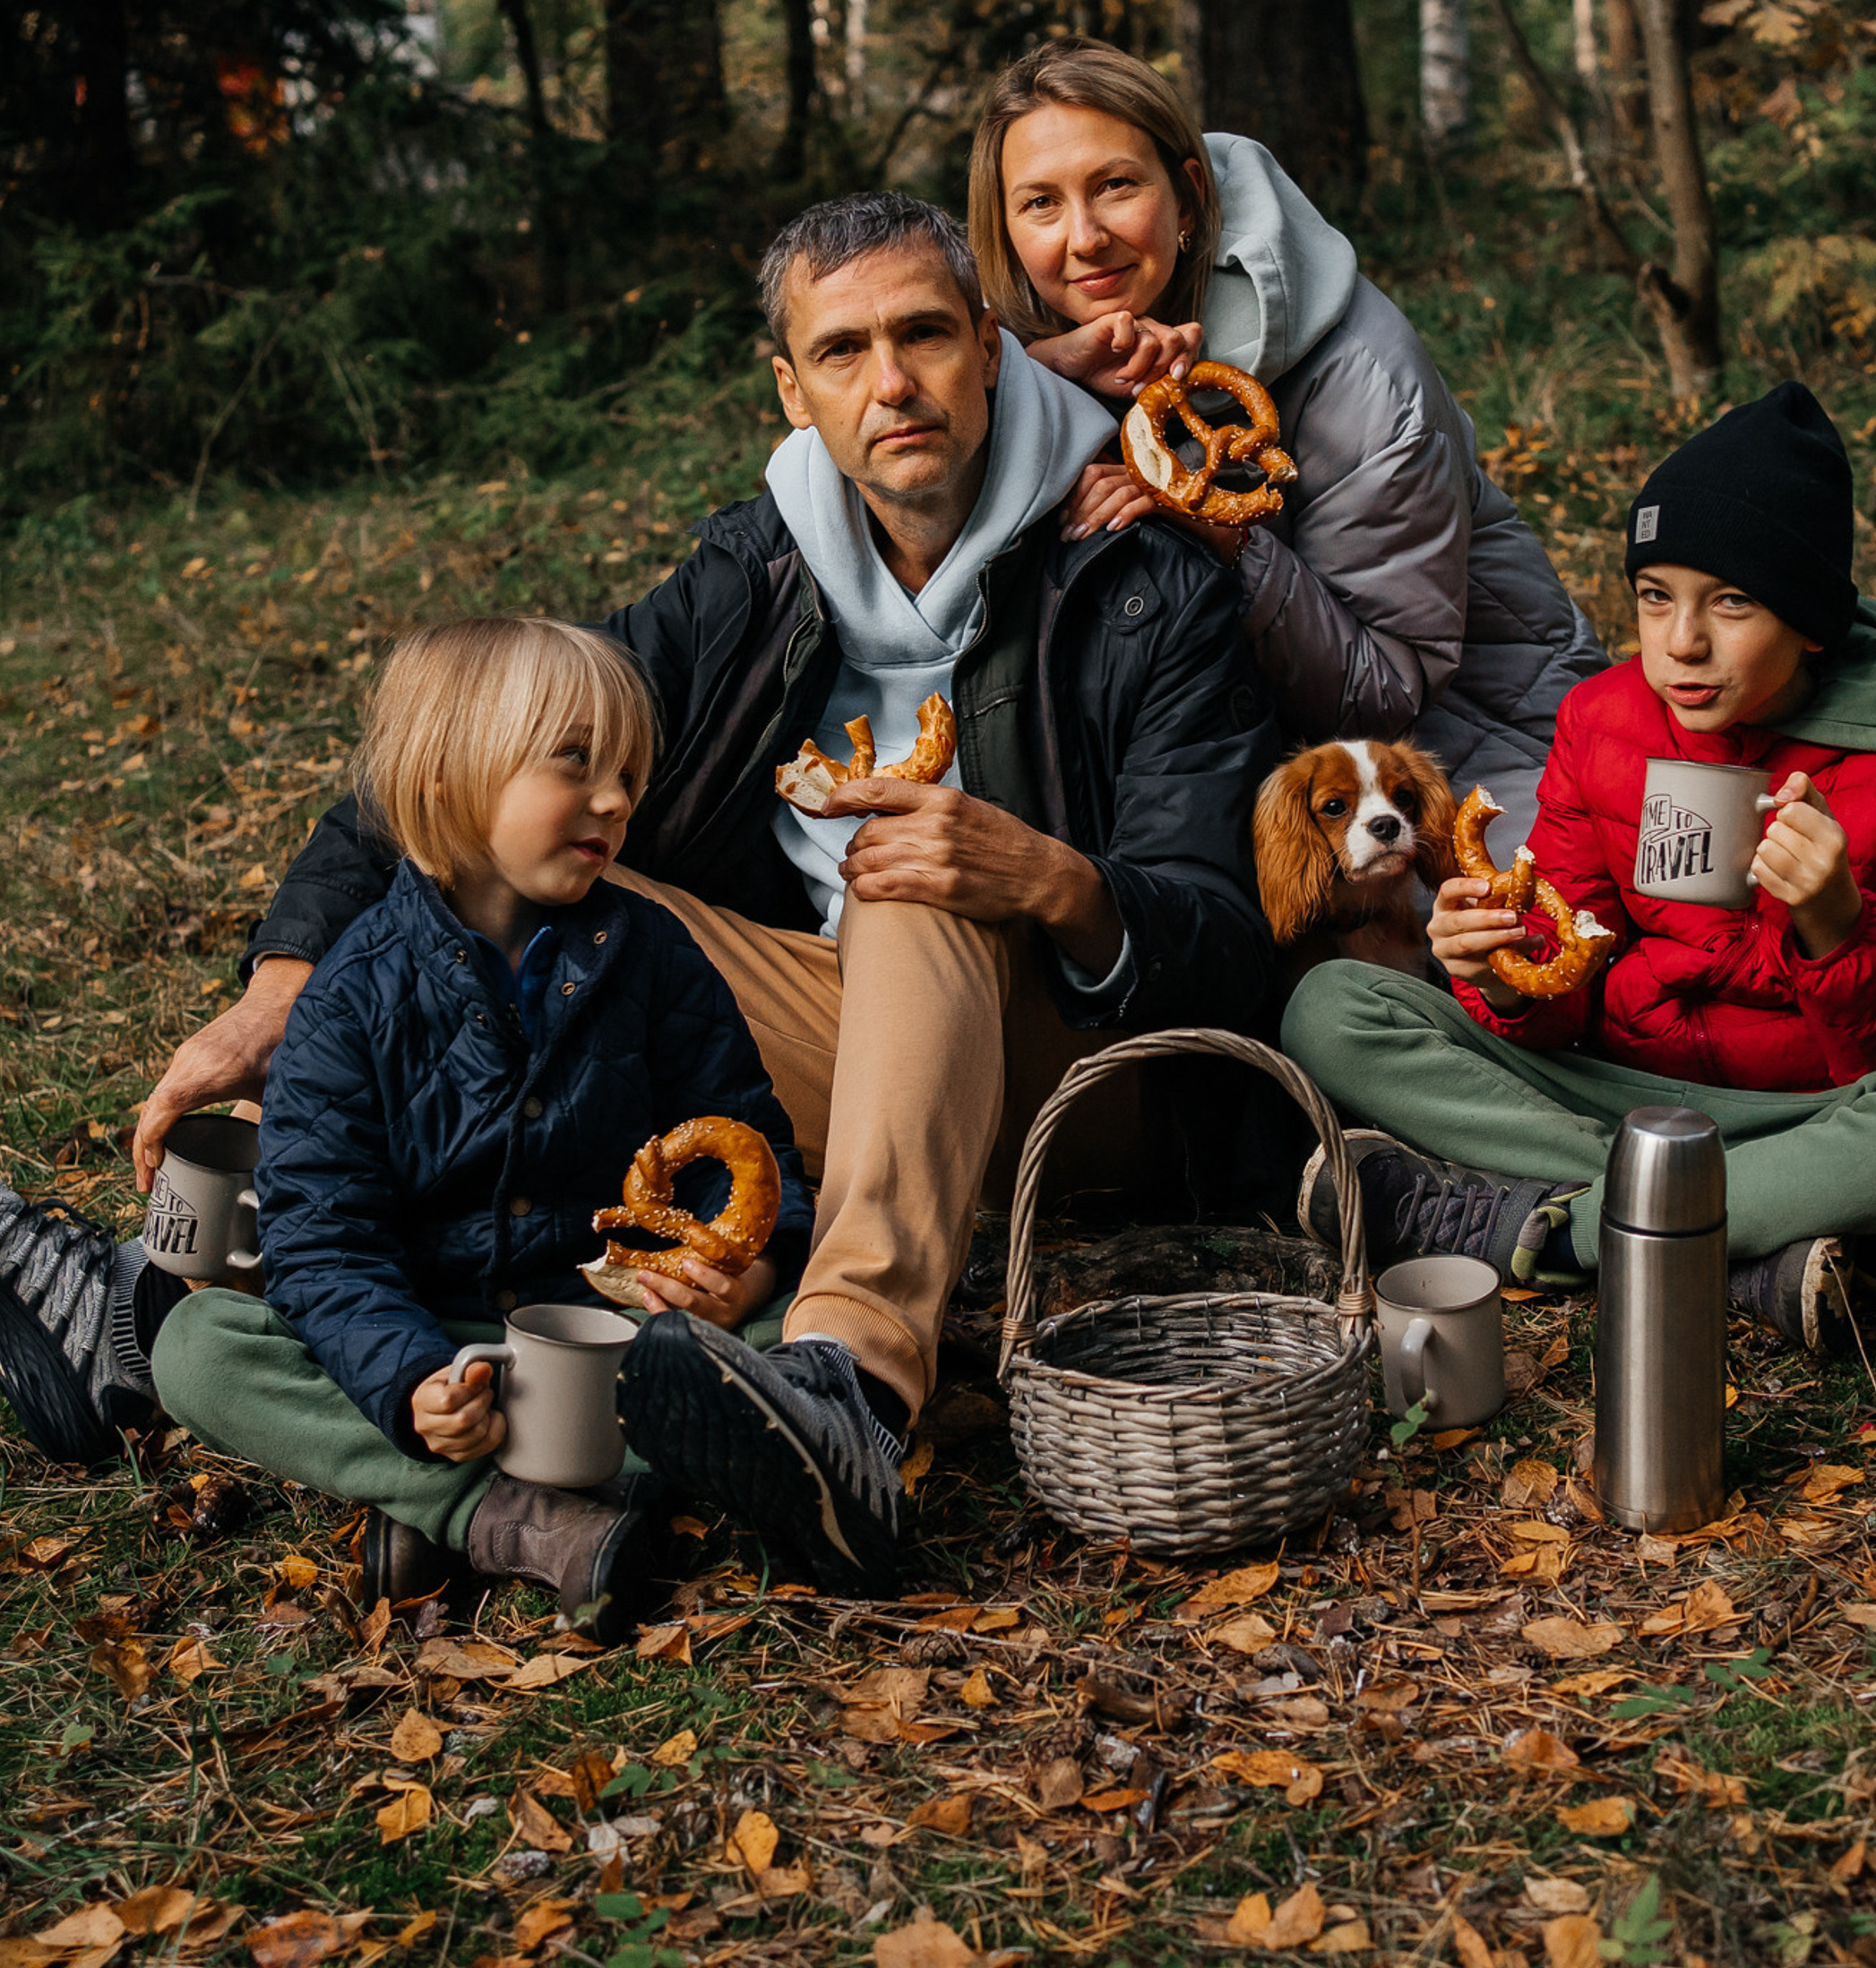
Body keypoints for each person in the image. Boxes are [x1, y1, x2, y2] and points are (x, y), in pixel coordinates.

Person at [109, 192, 1277, 1594]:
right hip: (823, 1040)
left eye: (923, 335)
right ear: (794, 392)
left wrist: (1042, 872)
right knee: (552, 836)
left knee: (906, 870)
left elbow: (1219, 935)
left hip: (1074, 1073)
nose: (890, 383)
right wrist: (282, 982)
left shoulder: (1142, 573)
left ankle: (846, 1385)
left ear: (989, 343)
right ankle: (449, 1328)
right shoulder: (758, 571)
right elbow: (471, 765)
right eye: (842, 354)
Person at [4, 619, 810, 1638]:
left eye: (627, 771)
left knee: (804, 1333)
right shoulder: (348, 1001)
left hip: (602, 1331)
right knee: (200, 1348)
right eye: (575, 761)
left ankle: (430, 1507)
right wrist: (407, 1380)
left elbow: (739, 1143)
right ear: (447, 782)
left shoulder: (653, 956)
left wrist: (750, 1268)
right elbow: (323, 1242)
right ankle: (504, 1513)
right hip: (437, 1343)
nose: (615, 798)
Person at [1280, 383, 1876, 1353]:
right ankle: (1731, 1236)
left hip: (1806, 1121)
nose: (1681, 644)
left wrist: (1836, 920)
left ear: (1810, 618)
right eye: (1656, 598)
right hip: (1613, 1091)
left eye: (1730, 602)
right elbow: (1562, 982)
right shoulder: (1602, 719)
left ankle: (1554, 1229)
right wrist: (1500, 977)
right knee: (1333, 1007)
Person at [968, 38, 1607, 842]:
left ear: (1190, 196)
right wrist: (1040, 385)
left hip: (1463, 769)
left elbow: (1393, 688)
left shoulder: (1361, 372)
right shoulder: (1015, 356)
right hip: (1216, 769)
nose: (1085, 236)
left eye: (1117, 185)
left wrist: (1216, 528)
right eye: (1039, 204)